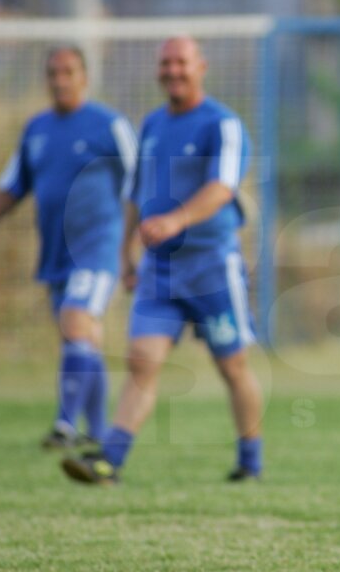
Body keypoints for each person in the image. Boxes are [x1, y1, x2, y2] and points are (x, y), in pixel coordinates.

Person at [61, 36, 263, 485]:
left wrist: (176, 220)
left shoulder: (222, 124)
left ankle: (250, 462)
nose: (173, 70)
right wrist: (127, 255)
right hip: (160, 272)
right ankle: (109, 460)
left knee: (233, 366)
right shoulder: (151, 124)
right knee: (141, 361)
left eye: (181, 62)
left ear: (201, 66)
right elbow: (137, 194)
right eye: (165, 63)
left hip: (212, 269)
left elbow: (222, 189)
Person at [0, 46, 135, 451]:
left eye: (68, 72)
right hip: (55, 251)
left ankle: (64, 424)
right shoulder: (37, 129)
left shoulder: (109, 124)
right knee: (81, 338)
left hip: (98, 246)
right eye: (53, 73)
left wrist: (134, 244)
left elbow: (141, 179)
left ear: (85, 77)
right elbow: (14, 183)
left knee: (76, 323)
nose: (60, 80)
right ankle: (96, 431)